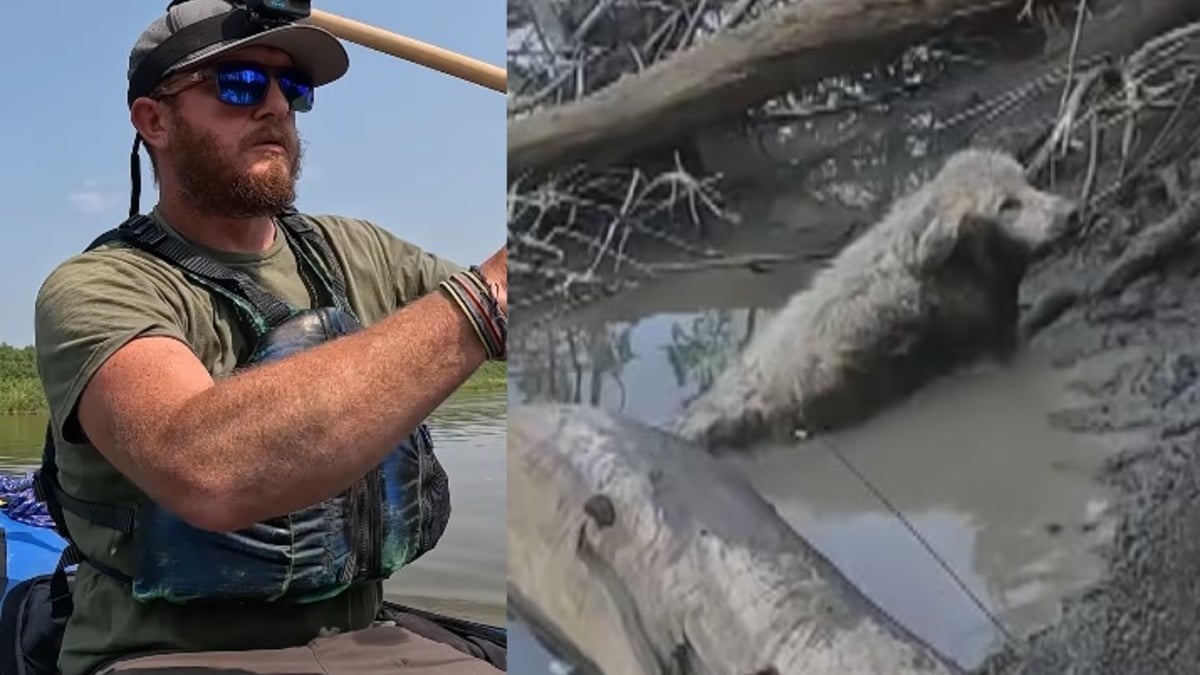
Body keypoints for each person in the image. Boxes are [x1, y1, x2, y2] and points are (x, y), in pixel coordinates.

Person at [25, 1, 507, 673]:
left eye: (293, 88)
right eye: (239, 83)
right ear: (153, 119)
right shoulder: (97, 287)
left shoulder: (358, 252)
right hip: (165, 655)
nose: (275, 105)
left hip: (370, 642)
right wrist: (489, 298)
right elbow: (205, 470)